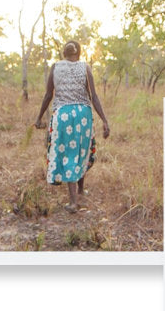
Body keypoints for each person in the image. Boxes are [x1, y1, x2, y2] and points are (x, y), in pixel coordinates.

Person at [34, 40, 110, 212]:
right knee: (81, 151)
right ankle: (80, 191)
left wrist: (38, 118)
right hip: (83, 115)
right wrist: (104, 120)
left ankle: (74, 201)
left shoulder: (55, 67)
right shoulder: (85, 67)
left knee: (68, 154)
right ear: (79, 53)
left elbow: (48, 95)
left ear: (64, 53)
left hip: (63, 116)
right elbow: (94, 96)